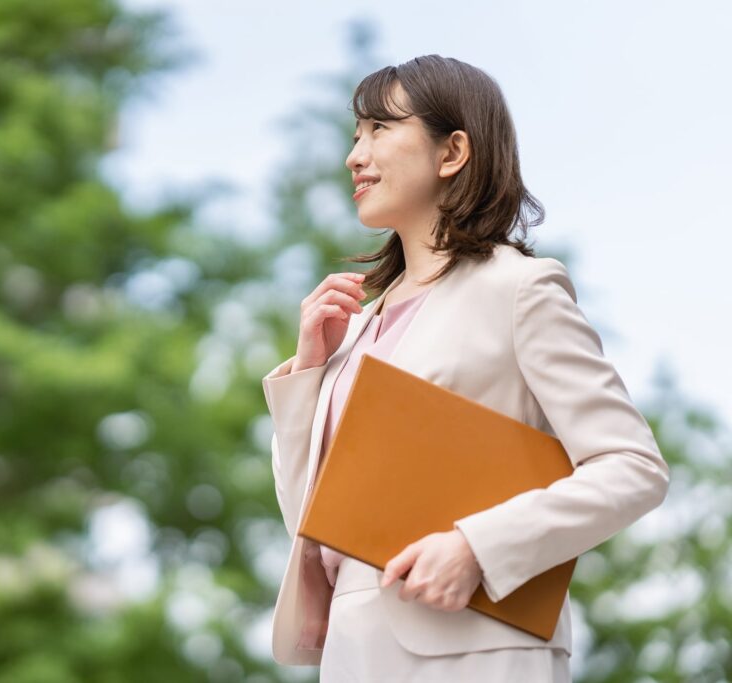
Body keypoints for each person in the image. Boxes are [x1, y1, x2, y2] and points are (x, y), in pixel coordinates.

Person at [260, 55, 670, 681]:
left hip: (476, 651)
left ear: (452, 151)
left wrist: (479, 547)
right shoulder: (360, 326)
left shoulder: (519, 289)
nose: (354, 156)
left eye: (379, 129)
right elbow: (310, 526)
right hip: (355, 655)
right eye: (354, 136)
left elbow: (633, 468)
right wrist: (311, 374)